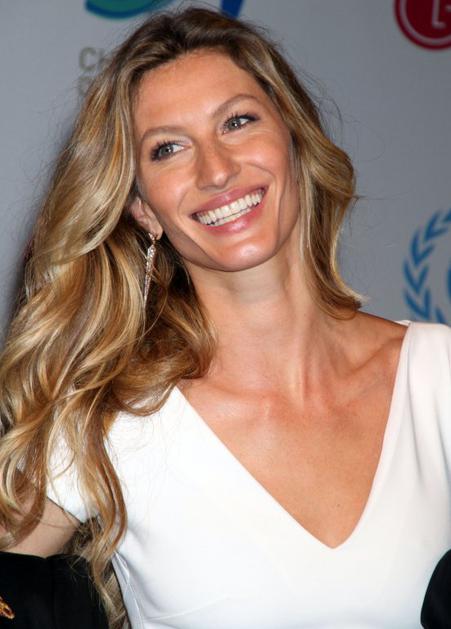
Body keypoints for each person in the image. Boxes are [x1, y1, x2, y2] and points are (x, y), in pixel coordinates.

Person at [0, 6, 450, 628]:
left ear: (293, 138)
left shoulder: (438, 376)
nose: (216, 171)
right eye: (168, 149)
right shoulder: (109, 422)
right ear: (141, 208)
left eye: (237, 122)